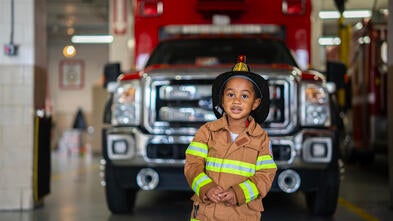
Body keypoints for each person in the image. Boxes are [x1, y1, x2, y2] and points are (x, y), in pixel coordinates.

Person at [184, 55, 277, 221]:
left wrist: (238, 193)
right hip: (206, 215)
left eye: (244, 96)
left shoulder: (261, 138)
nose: (236, 101)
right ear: (222, 99)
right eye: (230, 95)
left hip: (242, 216)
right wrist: (206, 187)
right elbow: (193, 164)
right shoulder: (206, 132)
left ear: (255, 103)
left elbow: (265, 174)